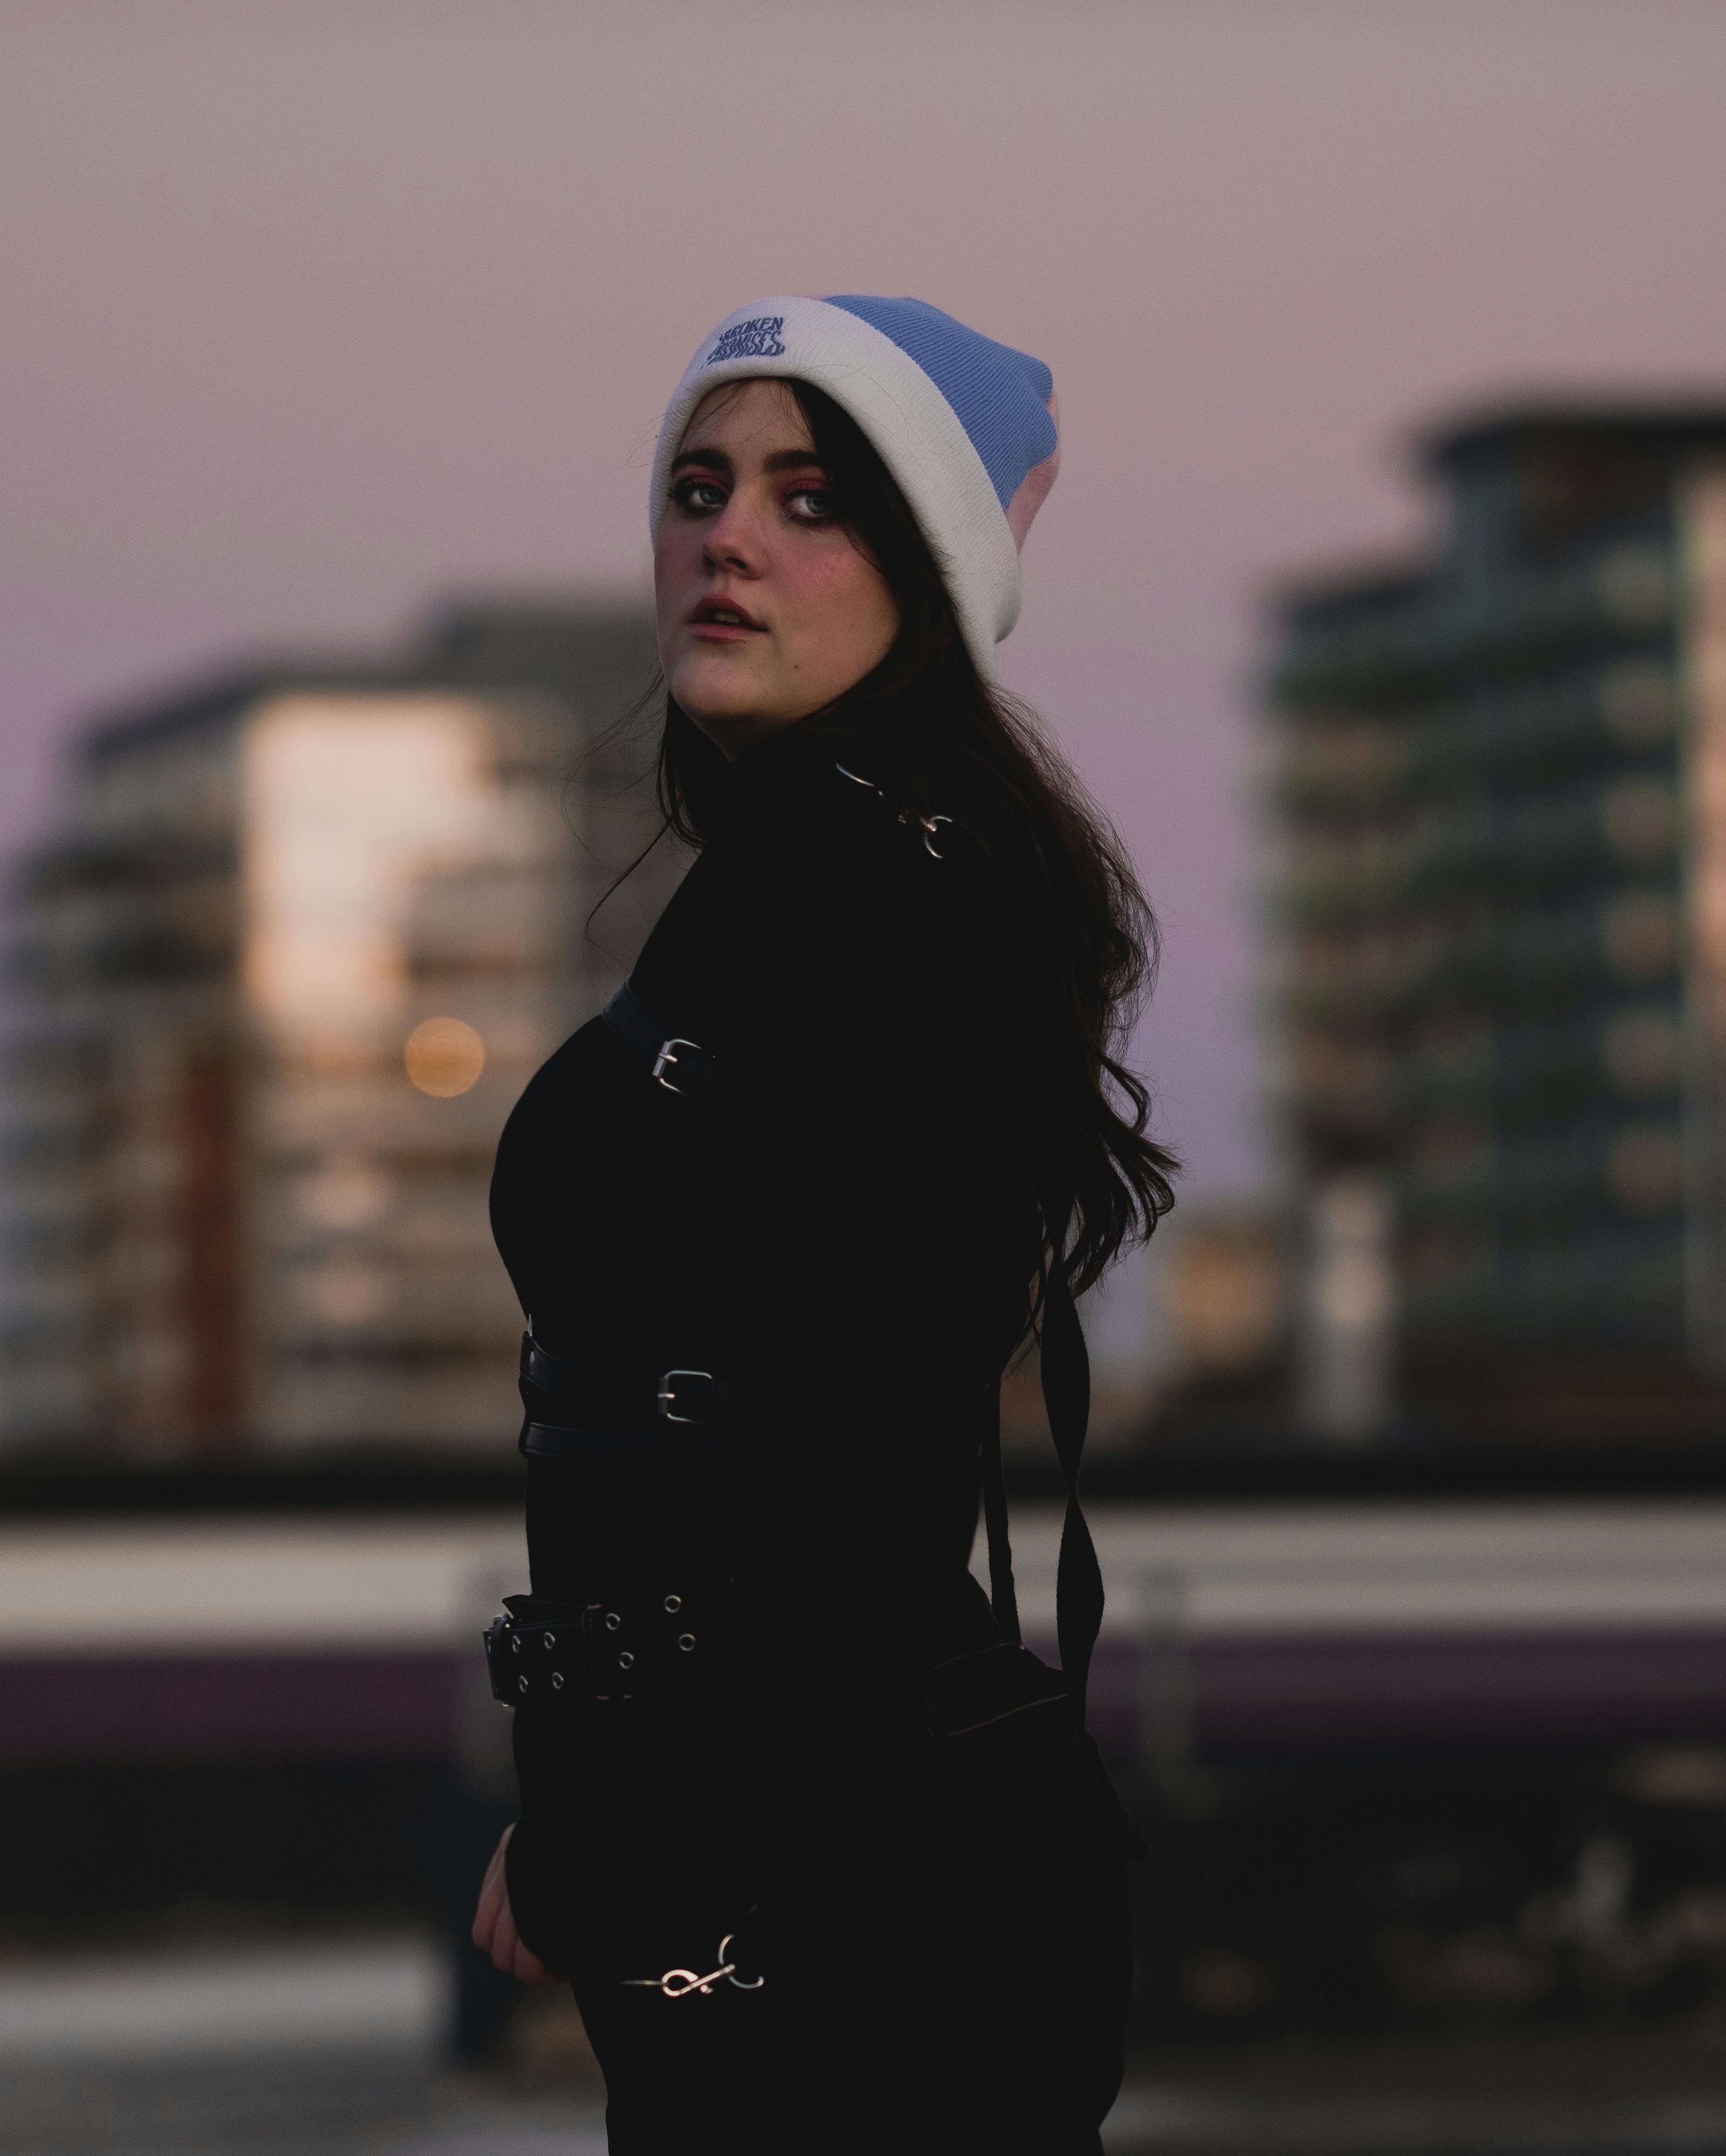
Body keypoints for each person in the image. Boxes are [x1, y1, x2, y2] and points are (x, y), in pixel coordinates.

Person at [467, 295, 1175, 2153]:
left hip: (832, 1869)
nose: (728, 535)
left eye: (811, 499)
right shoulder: (836, 862)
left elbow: (856, 1455)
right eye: (699, 488)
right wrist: (592, 1820)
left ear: (928, 562)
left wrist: (624, 1836)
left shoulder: (866, 885)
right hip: (806, 1843)